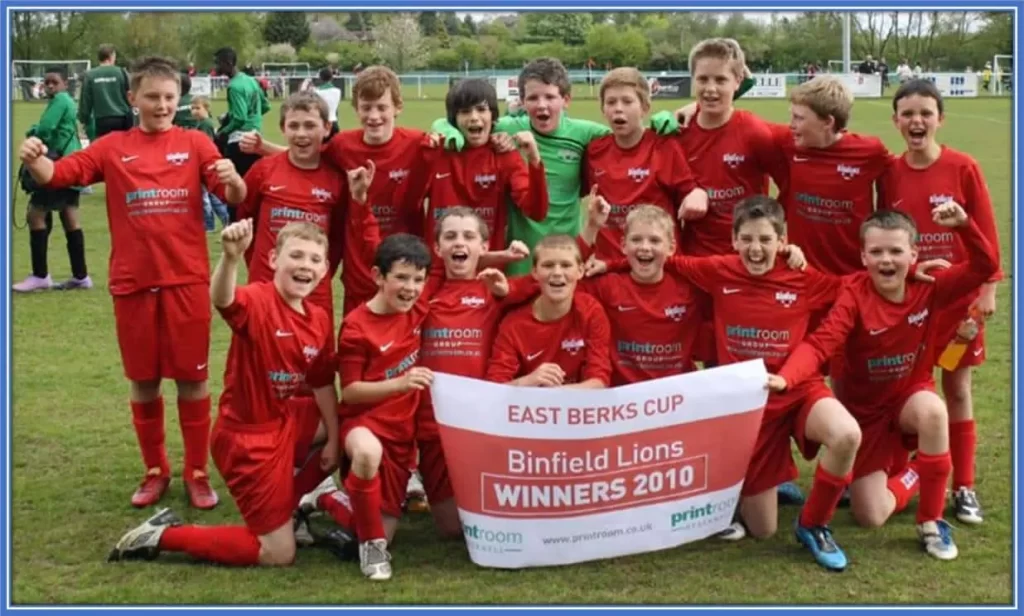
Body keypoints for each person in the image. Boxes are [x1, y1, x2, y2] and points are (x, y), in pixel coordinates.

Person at [17, 56, 247, 510]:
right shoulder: (111, 146)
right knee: (144, 380)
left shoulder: (196, 143)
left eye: (169, 98)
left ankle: (197, 472)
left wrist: (234, 179)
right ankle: (155, 470)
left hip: (185, 280)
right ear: (132, 98)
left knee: (192, 379)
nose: (161, 106)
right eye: (152, 97)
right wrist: (36, 161)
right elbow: (61, 175)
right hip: (133, 282)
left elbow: (233, 197)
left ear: (179, 99)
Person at [590, 196, 860, 571]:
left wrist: (912, 271)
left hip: (800, 387)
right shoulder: (719, 270)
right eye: (747, 239)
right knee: (763, 529)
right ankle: (770, 478)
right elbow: (660, 259)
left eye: (766, 240)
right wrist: (610, 262)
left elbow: (855, 288)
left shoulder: (803, 277)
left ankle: (814, 525)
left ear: (782, 241)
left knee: (847, 434)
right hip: (753, 401)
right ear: (733, 241)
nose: (756, 248)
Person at [773, 203, 999, 561]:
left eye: (896, 251)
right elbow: (821, 342)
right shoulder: (852, 293)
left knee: (934, 412)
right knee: (869, 515)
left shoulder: (930, 287)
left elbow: (985, 267)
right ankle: (918, 467)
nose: (886, 260)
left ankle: (931, 520)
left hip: (909, 397)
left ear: (914, 254)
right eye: (876, 252)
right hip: (866, 418)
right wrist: (787, 377)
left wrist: (965, 226)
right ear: (863, 256)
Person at [107, 220, 340, 568]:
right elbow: (224, 299)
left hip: (284, 421)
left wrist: (334, 439)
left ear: (325, 269)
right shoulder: (259, 300)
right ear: (274, 259)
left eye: (314, 259)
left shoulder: (319, 318)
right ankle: (160, 534)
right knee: (278, 554)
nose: (305, 264)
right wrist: (231, 258)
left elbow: (322, 383)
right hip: (248, 440)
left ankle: (289, 508)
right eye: (296, 255)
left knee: (354, 426)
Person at [879, 79, 1003, 525]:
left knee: (957, 389)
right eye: (908, 113)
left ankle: (964, 486)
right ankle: (908, 470)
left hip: (958, 304)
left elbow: (985, 229)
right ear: (895, 121)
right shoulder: (890, 172)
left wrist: (988, 289)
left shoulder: (962, 166)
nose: (916, 121)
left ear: (939, 119)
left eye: (925, 113)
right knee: (908, 389)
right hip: (910, 302)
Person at [335, 233, 439, 581]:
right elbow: (349, 392)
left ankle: (323, 501)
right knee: (366, 452)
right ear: (379, 277)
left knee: (377, 525)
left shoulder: (416, 308)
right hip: (364, 425)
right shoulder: (355, 326)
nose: (410, 288)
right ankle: (373, 549)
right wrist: (400, 384)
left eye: (418, 280)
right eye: (401, 278)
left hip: (401, 438)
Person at [583, 67, 706, 262]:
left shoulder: (664, 146)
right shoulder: (594, 150)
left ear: (645, 107)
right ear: (603, 110)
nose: (618, 108)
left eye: (627, 101)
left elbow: (689, 194)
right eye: (611, 102)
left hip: (656, 265)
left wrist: (697, 195)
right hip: (609, 266)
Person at [421, 78, 549, 256]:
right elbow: (408, 205)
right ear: (454, 119)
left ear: (493, 116)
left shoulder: (504, 154)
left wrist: (534, 160)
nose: (474, 117)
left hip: (487, 268)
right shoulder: (436, 152)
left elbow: (536, 212)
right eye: (465, 111)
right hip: (440, 271)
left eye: (481, 110)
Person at [486, 235, 612, 388]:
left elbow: (599, 381)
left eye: (566, 265)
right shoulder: (514, 324)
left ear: (580, 271)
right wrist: (529, 381)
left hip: (574, 407)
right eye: (548, 265)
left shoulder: (591, 311)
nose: (557, 272)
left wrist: (554, 396)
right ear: (534, 273)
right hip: (530, 407)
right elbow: (494, 389)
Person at [13, 67, 90, 293]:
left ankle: (40, 275)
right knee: (69, 216)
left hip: (57, 167)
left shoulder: (60, 100)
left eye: (54, 82)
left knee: (35, 214)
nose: (49, 87)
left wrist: (32, 130)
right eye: (46, 83)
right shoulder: (67, 101)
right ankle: (81, 276)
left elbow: (45, 130)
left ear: (65, 83)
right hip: (73, 165)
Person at [214, 46, 271, 220]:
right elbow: (266, 106)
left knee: (234, 188)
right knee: (253, 186)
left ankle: (234, 224)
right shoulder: (250, 80)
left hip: (238, 142)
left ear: (228, 63)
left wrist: (223, 131)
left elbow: (239, 118)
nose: (215, 67)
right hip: (255, 139)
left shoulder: (234, 86)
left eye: (218, 63)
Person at [190, 95, 231, 232]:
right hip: (205, 164)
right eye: (192, 108)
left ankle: (210, 224)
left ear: (206, 108)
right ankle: (224, 220)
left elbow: (205, 145)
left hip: (205, 164)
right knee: (211, 197)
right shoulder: (202, 124)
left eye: (198, 108)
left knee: (206, 197)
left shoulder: (205, 124)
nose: (194, 111)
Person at [78, 44, 132, 140]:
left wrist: (83, 119)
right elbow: (130, 94)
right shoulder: (121, 72)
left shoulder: (90, 75)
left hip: (102, 119)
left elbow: (85, 100)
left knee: (105, 148)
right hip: (122, 118)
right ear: (111, 56)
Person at [313, 67, 342, 138]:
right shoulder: (338, 91)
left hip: (322, 124)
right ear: (331, 78)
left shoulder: (316, 92)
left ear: (320, 78)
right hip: (334, 123)